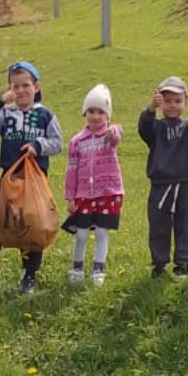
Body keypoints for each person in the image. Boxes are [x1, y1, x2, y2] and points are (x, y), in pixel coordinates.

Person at [0, 60, 64, 294]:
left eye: (26, 85)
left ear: (36, 86)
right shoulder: (6, 114)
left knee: (34, 225)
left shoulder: (45, 115)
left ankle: (30, 274)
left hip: (34, 179)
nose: (21, 91)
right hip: (9, 179)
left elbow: (57, 143)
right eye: (15, 86)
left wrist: (38, 146)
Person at [137, 75, 188, 280]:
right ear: (160, 102)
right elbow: (143, 128)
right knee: (159, 225)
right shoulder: (156, 128)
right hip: (160, 184)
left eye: (178, 101)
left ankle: (183, 263)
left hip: (184, 183)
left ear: (184, 103)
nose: (172, 106)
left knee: (185, 223)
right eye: (167, 101)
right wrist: (150, 109)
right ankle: (159, 263)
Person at [62, 84, 124, 286]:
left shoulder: (110, 136)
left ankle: (99, 269)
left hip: (107, 193)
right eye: (91, 111)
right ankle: (77, 268)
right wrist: (70, 196)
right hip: (83, 194)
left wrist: (112, 131)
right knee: (80, 234)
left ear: (107, 115)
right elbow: (71, 170)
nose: (95, 116)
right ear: (84, 112)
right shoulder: (76, 141)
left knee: (100, 232)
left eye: (100, 112)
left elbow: (116, 134)